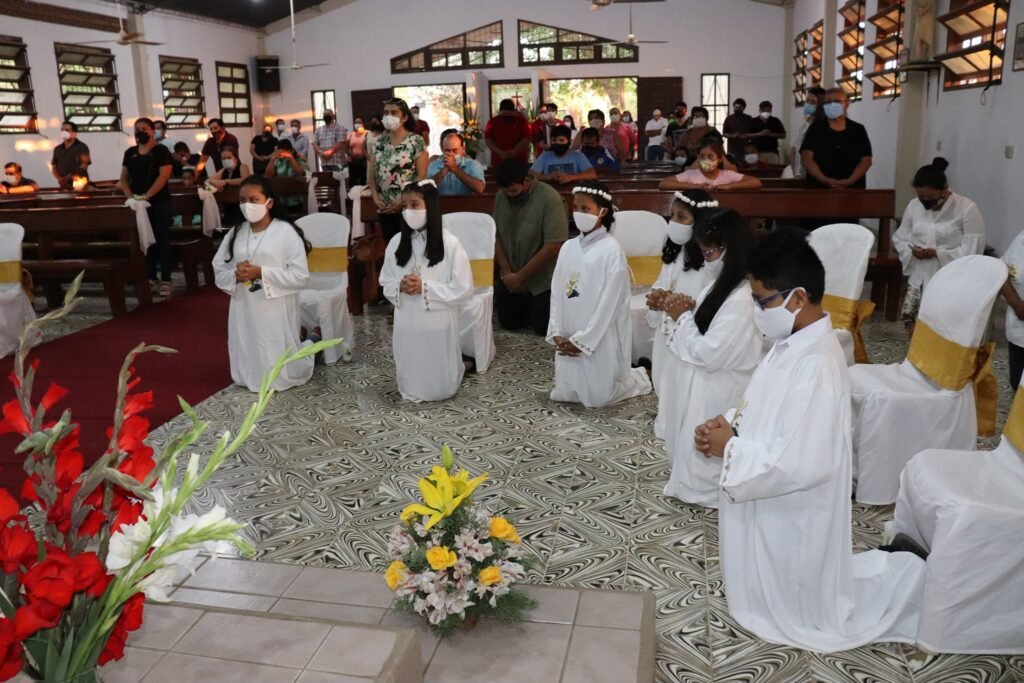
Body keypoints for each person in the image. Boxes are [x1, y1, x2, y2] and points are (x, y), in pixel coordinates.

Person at [695, 225, 925, 651]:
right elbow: (761, 406)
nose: (756, 311)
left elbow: (803, 463)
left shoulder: (817, 365)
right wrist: (727, 423)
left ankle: (912, 575)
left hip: (794, 512)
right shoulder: (787, 343)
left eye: (761, 302)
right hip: (769, 497)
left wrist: (731, 447)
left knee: (797, 594)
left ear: (797, 298)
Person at [661, 208, 762, 506]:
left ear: (733, 250)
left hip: (720, 389)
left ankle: (703, 490)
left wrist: (682, 318)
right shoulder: (719, 286)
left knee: (705, 460)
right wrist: (689, 311)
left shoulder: (742, 298)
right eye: (703, 251)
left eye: (711, 252)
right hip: (703, 385)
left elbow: (710, 352)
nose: (707, 258)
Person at [548, 181, 652, 408]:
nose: (578, 213)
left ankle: (640, 376)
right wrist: (557, 331)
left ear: (602, 212)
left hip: (597, 337)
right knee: (563, 394)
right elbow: (556, 292)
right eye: (576, 208)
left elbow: (610, 305)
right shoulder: (568, 247)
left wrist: (583, 341)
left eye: (585, 209)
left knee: (598, 399)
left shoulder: (611, 250)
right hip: (568, 330)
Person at [213, 175, 314, 393]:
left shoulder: (285, 232)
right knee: (248, 339)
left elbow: (300, 275)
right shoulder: (236, 232)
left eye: (253, 199)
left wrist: (261, 272)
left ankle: (306, 348)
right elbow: (219, 267)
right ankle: (249, 372)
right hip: (244, 304)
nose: (247, 205)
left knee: (275, 346)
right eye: (242, 200)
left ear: (269, 202)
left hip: (275, 304)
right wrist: (235, 275)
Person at [379, 180, 473, 401]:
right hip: (407, 321)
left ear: (430, 206)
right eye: (404, 206)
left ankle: (453, 374)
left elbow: (463, 288)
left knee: (438, 383)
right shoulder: (396, 243)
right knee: (411, 366)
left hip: (436, 321)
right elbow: (385, 280)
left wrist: (425, 288)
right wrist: (399, 286)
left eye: (415, 205)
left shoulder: (450, 244)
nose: (409, 211)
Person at [645, 191, 715, 438]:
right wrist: (656, 297)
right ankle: (667, 415)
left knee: (681, 382)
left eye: (682, 217)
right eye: (672, 215)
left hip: (688, 330)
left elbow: (707, 300)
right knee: (664, 376)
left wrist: (681, 308)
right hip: (667, 330)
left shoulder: (709, 262)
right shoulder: (674, 253)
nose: (673, 222)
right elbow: (663, 282)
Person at [892, 158, 985, 328]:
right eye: (922, 198)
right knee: (912, 322)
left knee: (943, 326)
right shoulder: (914, 206)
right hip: (920, 274)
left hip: (950, 277)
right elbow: (901, 237)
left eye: (931, 198)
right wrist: (912, 250)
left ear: (944, 190)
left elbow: (973, 250)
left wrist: (937, 253)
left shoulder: (967, 208)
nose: (926, 203)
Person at [493, 160, 568, 336]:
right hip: (510, 274)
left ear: (527, 181)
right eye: (506, 192)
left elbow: (554, 245)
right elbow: (494, 234)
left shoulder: (550, 198)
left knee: (543, 328)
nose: (510, 196)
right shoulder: (500, 196)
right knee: (509, 322)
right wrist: (506, 272)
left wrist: (521, 276)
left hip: (541, 279)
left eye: (514, 191)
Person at [119, 117, 174, 299]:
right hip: (138, 204)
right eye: (137, 129)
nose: (140, 132)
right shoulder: (130, 152)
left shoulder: (161, 151)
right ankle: (150, 277)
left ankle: (166, 279)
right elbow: (124, 178)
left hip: (158, 201)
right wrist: (131, 198)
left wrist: (148, 196)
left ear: (152, 132)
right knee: (144, 240)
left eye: (144, 128)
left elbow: (164, 176)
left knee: (161, 239)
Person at [369, 97, 428, 242]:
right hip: (385, 209)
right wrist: (376, 198)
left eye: (394, 113)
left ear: (405, 117)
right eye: (386, 112)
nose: (389, 116)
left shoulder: (416, 141)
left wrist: (402, 201)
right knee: (391, 248)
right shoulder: (379, 142)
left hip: (408, 208)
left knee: (409, 248)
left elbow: (421, 176)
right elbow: (371, 176)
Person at [801, 88, 872, 189]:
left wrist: (850, 181)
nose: (831, 105)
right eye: (828, 102)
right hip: (820, 189)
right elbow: (807, 158)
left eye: (836, 101)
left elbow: (866, 160)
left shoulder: (858, 130)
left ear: (846, 104)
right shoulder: (815, 129)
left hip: (852, 189)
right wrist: (824, 179)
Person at [659, 138, 762, 191]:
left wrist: (728, 186)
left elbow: (756, 182)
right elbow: (663, 183)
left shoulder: (727, 174)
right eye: (703, 157)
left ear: (719, 159)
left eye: (711, 156)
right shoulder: (691, 174)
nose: (706, 160)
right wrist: (692, 186)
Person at [531, 125, 596, 185]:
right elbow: (530, 174)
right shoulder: (545, 156)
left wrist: (570, 177)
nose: (557, 143)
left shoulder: (578, 156)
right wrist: (546, 177)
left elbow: (592, 174)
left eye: (561, 140)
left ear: (569, 141)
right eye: (554, 140)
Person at [428, 131, 485, 196]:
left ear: (463, 149)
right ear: (443, 150)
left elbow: (480, 188)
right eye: (447, 150)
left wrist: (455, 169)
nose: (451, 154)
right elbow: (426, 190)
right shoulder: (434, 165)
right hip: (441, 205)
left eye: (455, 150)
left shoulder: (473, 165)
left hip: (467, 205)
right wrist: (443, 171)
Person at [1002, 228, 1024, 392]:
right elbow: (1001, 271)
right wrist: (1016, 304)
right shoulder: (1021, 238)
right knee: (1018, 383)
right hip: (1019, 331)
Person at [485, 99, 531, 171]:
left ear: (513, 111)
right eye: (504, 114)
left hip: (518, 159)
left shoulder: (521, 121)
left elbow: (526, 139)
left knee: (519, 181)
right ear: (500, 111)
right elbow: (488, 139)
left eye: (509, 114)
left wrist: (513, 152)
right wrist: (500, 153)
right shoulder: (492, 122)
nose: (506, 116)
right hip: (499, 160)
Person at [208, 145, 248, 226]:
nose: (226, 160)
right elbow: (207, 181)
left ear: (235, 158)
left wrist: (226, 181)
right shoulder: (223, 171)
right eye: (223, 159)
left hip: (241, 205)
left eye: (229, 157)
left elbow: (245, 179)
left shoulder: (242, 166)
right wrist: (215, 183)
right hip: (227, 205)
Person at [791, 86, 826, 177]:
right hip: (799, 172)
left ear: (821, 104)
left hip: (812, 174)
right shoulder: (805, 123)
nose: (808, 104)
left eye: (813, 102)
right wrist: (794, 172)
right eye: (807, 101)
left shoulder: (823, 125)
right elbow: (794, 148)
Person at [50, 121, 90, 189]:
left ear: (74, 133)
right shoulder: (57, 149)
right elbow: (54, 166)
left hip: (80, 185)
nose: (64, 132)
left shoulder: (82, 147)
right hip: (64, 185)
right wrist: (59, 179)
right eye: (62, 130)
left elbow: (83, 166)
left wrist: (66, 178)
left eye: (67, 130)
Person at [746, 100, 786, 165]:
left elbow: (783, 135)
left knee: (773, 172)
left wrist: (771, 134)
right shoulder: (753, 121)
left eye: (768, 111)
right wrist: (759, 134)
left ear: (771, 110)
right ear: (760, 110)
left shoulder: (775, 121)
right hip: (757, 153)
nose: (766, 112)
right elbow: (747, 135)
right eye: (764, 111)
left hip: (772, 152)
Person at [347, 117, 369, 186]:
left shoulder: (368, 133)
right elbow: (346, 147)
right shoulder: (351, 134)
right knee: (353, 183)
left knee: (364, 182)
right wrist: (351, 155)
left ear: (363, 124)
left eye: (359, 122)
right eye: (356, 122)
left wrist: (365, 156)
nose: (357, 124)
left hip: (364, 162)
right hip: (353, 162)